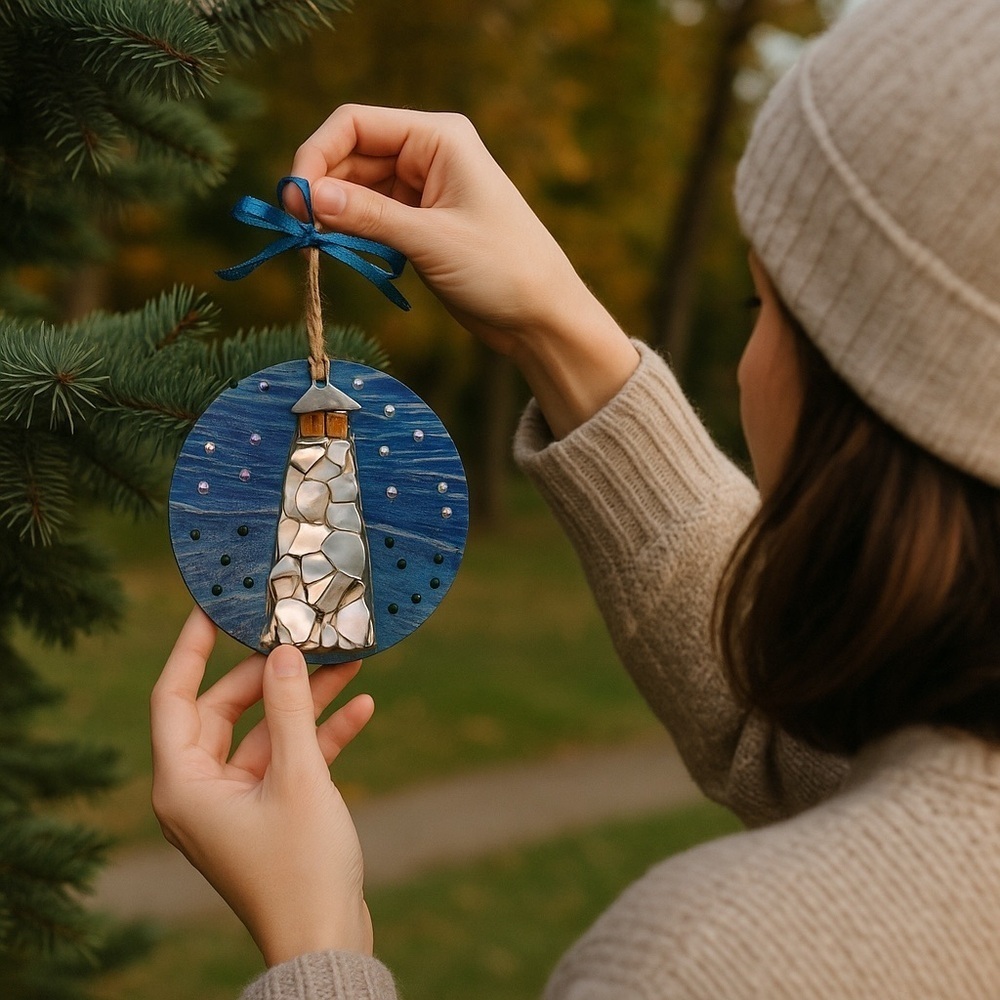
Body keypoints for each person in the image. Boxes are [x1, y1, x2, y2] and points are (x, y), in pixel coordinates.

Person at [150, 0, 1000, 995]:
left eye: (761, 305)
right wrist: (554, 326)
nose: (746, 359)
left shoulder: (708, 968)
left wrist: (315, 943)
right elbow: (807, 740)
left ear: (867, 391)